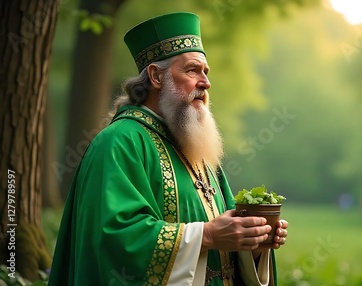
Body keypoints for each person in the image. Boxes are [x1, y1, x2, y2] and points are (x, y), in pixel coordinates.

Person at [49, 12, 288, 286]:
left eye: (206, 73)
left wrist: (253, 243)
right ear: (156, 76)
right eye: (192, 70)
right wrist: (207, 236)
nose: (205, 83)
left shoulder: (197, 149)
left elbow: (226, 243)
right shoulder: (119, 142)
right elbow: (114, 240)